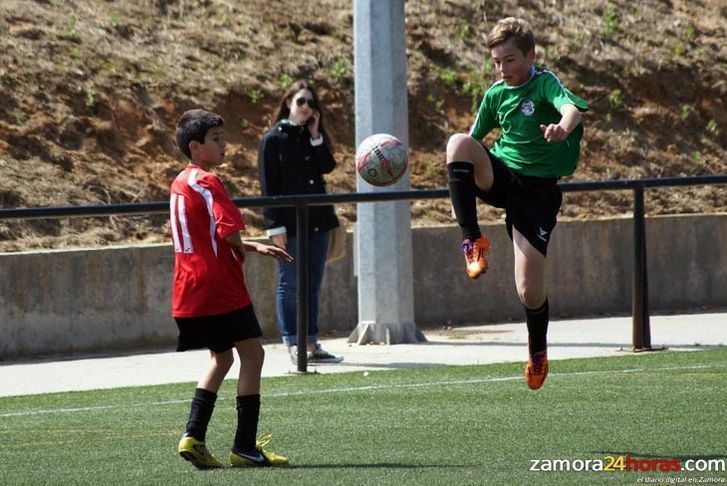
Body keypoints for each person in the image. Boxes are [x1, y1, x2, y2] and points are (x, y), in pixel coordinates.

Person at [445, 17, 588, 390]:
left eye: (509, 60)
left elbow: (570, 108)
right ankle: (472, 241)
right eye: (496, 61)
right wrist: (460, 176)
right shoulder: (496, 94)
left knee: (528, 290)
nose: (502, 68)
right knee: (458, 143)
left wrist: (562, 127)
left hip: (537, 193)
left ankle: (537, 351)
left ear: (530, 54)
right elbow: (473, 141)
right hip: (503, 175)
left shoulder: (544, 83)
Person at [171, 109, 292, 469]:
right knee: (253, 356)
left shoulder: (179, 182)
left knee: (222, 357)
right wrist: (250, 244)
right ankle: (244, 447)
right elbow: (228, 230)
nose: (225, 145)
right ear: (195, 147)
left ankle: (193, 436)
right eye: (216, 139)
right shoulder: (208, 181)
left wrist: (253, 246)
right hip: (219, 285)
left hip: (187, 288)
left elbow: (209, 234)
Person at [258, 80, 343, 364]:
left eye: (311, 103)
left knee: (312, 284)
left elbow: (327, 167)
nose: (307, 108)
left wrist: (317, 134)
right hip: (290, 224)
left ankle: (311, 343)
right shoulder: (273, 139)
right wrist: (274, 227)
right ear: (288, 104)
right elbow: (268, 187)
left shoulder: (312, 136)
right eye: (301, 102)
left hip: (318, 221)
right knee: (290, 283)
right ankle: (294, 343)